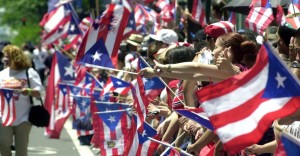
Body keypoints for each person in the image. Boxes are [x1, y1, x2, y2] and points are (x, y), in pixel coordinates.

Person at [0, 45, 44, 156]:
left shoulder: (29, 72)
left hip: (23, 117)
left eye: (7, 57)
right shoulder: (2, 74)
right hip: (4, 116)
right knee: (3, 144)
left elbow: (40, 92)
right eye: (4, 57)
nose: (4, 59)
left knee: (21, 149)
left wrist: (27, 91)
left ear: (16, 57)